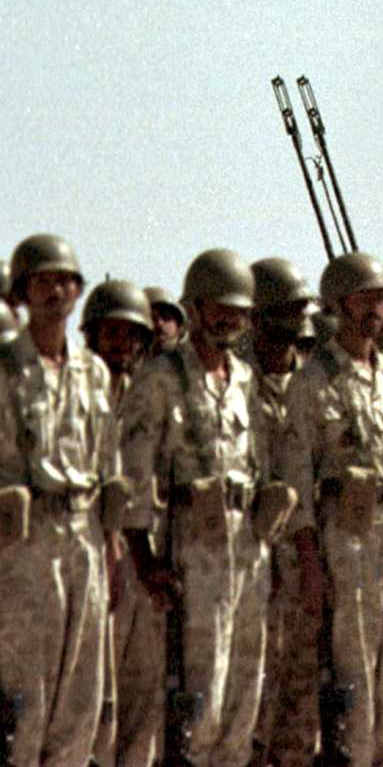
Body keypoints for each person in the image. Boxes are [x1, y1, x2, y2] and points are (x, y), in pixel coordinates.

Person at [119, 249, 280, 767]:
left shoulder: (247, 383)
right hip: (191, 554)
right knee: (196, 701)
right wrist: (145, 561)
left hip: (247, 555)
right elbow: (134, 475)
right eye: (215, 307)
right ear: (193, 308)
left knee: (242, 696)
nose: (226, 318)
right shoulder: (162, 377)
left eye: (236, 308)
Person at [282, 253, 383, 767]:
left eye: (381, 297)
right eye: (365, 297)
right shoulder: (311, 382)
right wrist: (310, 563)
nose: (377, 307)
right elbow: (297, 482)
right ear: (338, 304)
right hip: (345, 540)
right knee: (353, 677)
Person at [0, 235, 115, 767]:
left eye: (65, 281)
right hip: (23, 542)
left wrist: (111, 540)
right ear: (22, 293)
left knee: (81, 693)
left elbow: (106, 459)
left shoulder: (94, 373)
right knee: (23, 690)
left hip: (85, 534)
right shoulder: (5, 368)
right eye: (43, 280)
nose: (55, 290)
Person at [246, 256, 321, 767]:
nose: (294, 323)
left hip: (307, 561)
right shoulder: (234, 384)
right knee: (252, 697)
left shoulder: (312, 386)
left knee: (303, 701)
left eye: (299, 311)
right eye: (285, 311)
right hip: (248, 562)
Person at [81, 279, 159, 767]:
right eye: (112, 334)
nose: (123, 345)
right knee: (96, 694)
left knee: (143, 692)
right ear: (92, 336)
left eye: (133, 336)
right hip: (92, 554)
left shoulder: (152, 398)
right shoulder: (79, 393)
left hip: (143, 561)